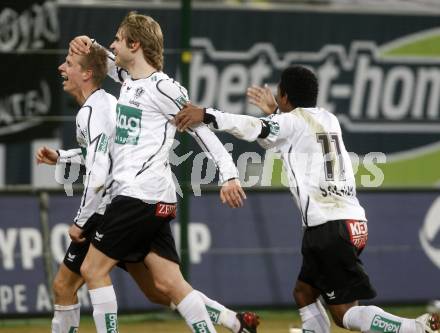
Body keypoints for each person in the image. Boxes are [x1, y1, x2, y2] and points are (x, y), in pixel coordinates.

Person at [174, 65, 440, 333]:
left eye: (279, 94)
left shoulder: (292, 122)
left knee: (345, 314)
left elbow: (252, 127)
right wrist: (276, 112)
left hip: (328, 228)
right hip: (350, 223)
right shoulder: (329, 119)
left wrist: (206, 114)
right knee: (303, 293)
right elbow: (286, 134)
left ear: (285, 97)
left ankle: (415, 328)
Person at [37, 42, 258, 333]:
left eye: (68, 62)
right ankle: (235, 322)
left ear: (87, 72)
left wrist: (81, 220)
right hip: (143, 198)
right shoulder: (116, 99)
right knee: (162, 288)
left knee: (73, 280)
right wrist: (64, 157)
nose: (61, 68)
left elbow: (100, 170)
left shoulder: (105, 106)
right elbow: (107, 153)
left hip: (118, 204)